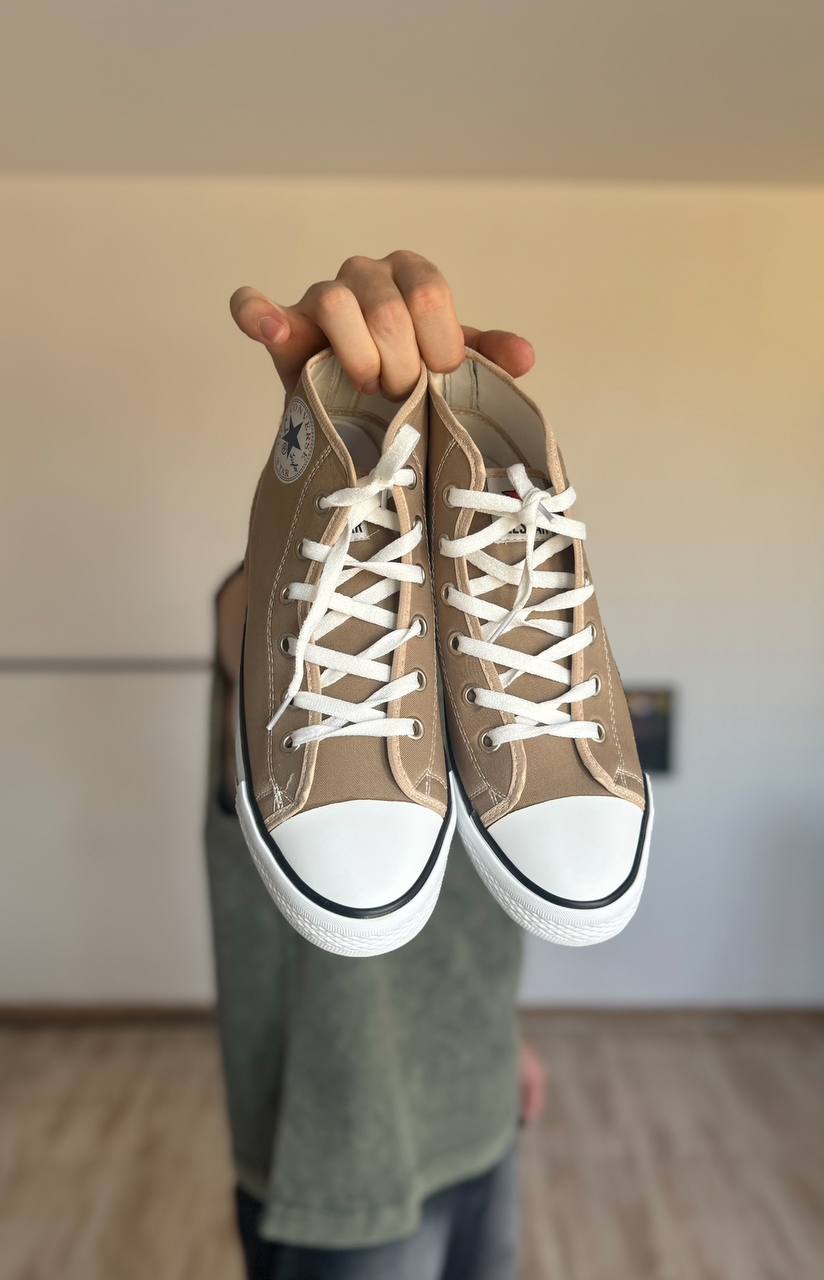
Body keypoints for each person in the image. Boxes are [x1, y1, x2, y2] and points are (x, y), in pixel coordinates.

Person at [207, 251, 547, 1280]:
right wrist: (324, 463)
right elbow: (249, 623)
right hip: (341, 1156)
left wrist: (509, 1039)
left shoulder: (481, 647)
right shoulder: (288, 639)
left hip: (483, 1099)